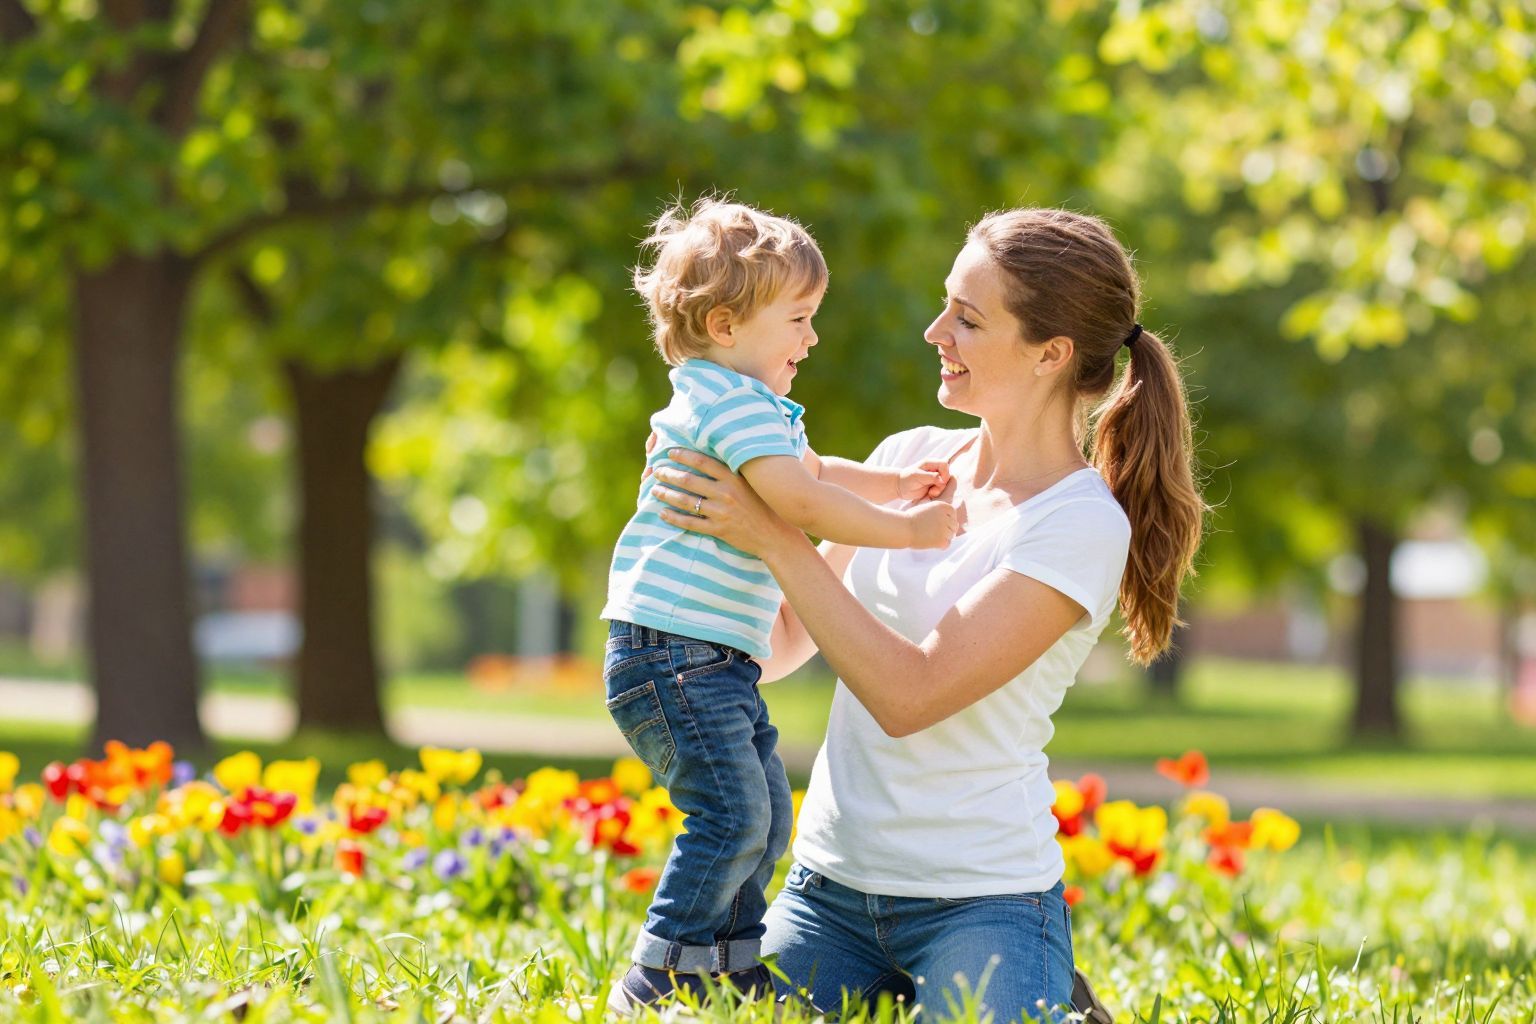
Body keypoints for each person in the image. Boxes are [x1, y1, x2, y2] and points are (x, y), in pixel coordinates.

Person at [647, 207, 1204, 1021]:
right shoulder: (908, 461)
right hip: (827, 891)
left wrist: (770, 533)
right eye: (947, 304)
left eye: (968, 319)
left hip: (982, 902)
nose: (934, 330)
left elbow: (910, 695)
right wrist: (667, 621)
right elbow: (786, 641)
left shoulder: (1078, 523)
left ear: (1050, 354)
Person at [602, 198, 961, 1011]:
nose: (812, 339)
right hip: (675, 657)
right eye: (798, 320)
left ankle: (724, 962)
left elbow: (816, 469)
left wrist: (892, 483)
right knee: (730, 816)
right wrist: (907, 529)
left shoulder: (745, 406)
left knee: (759, 814)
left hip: (708, 662)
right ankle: (658, 972)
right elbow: (801, 501)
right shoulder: (723, 401)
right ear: (726, 325)